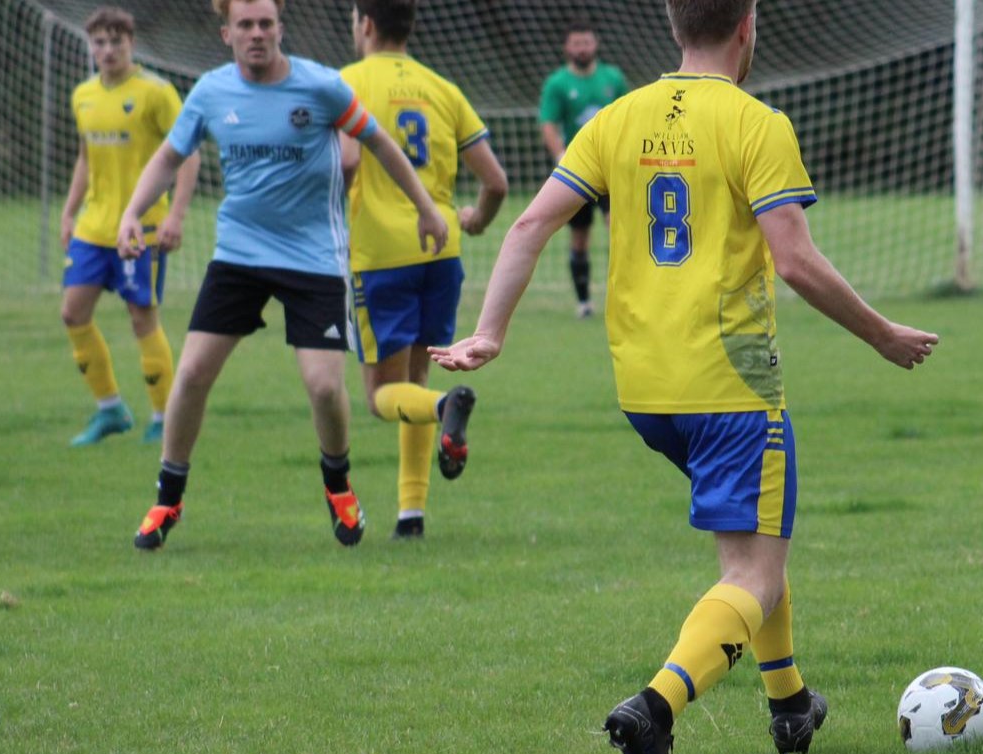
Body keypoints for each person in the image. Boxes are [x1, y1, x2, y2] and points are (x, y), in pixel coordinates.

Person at [432, 0, 938, 754]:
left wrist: (489, 332)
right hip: (731, 384)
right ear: (748, 26)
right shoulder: (755, 122)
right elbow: (796, 262)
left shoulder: (616, 117)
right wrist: (881, 335)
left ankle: (790, 702)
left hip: (645, 388)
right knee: (752, 573)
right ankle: (654, 709)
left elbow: (529, 224)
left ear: (674, 28)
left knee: (760, 534)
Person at [118, 0, 448, 550]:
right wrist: (133, 212)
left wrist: (427, 208)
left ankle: (338, 485)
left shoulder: (320, 87)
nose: (256, 34)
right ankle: (166, 497)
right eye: (245, 25)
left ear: (280, 29)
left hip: (313, 258)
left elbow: (379, 144)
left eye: (266, 24)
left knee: (323, 386)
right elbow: (168, 158)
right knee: (193, 372)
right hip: (238, 255)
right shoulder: (210, 91)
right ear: (227, 34)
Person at [340, 0, 508, 540]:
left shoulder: (347, 82)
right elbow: (496, 182)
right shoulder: (443, 89)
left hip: (380, 252)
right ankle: (411, 515)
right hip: (442, 252)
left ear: (364, 23)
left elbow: (344, 162)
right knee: (414, 376)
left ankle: (445, 406)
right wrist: (478, 219)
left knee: (381, 395)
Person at [59, 7, 200, 447]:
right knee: (73, 313)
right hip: (94, 228)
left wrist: (175, 215)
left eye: (115, 42)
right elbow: (86, 158)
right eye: (99, 43)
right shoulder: (83, 94)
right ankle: (110, 410)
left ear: (130, 43)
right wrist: (69, 211)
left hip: (142, 230)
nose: (106, 50)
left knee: (142, 318)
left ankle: (163, 416)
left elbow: (189, 154)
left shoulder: (155, 92)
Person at [539, 21, 629, 318]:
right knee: (579, 237)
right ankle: (584, 303)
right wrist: (561, 155)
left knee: (619, 229)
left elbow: (628, 116)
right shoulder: (558, 83)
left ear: (596, 44)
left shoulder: (612, 78)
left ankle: (625, 297)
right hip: (577, 171)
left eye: (586, 42)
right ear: (567, 47)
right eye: (576, 43)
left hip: (610, 169)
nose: (582, 48)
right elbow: (549, 123)